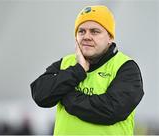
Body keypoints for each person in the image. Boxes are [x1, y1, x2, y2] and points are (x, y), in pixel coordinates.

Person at [30, 5, 144, 135]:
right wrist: (78, 70)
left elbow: (110, 110)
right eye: (81, 31)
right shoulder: (66, 63)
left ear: (110, 37)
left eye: (95, 31)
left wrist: (65, 96)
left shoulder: (126, 67)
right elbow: (40, 94)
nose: (87, 36)